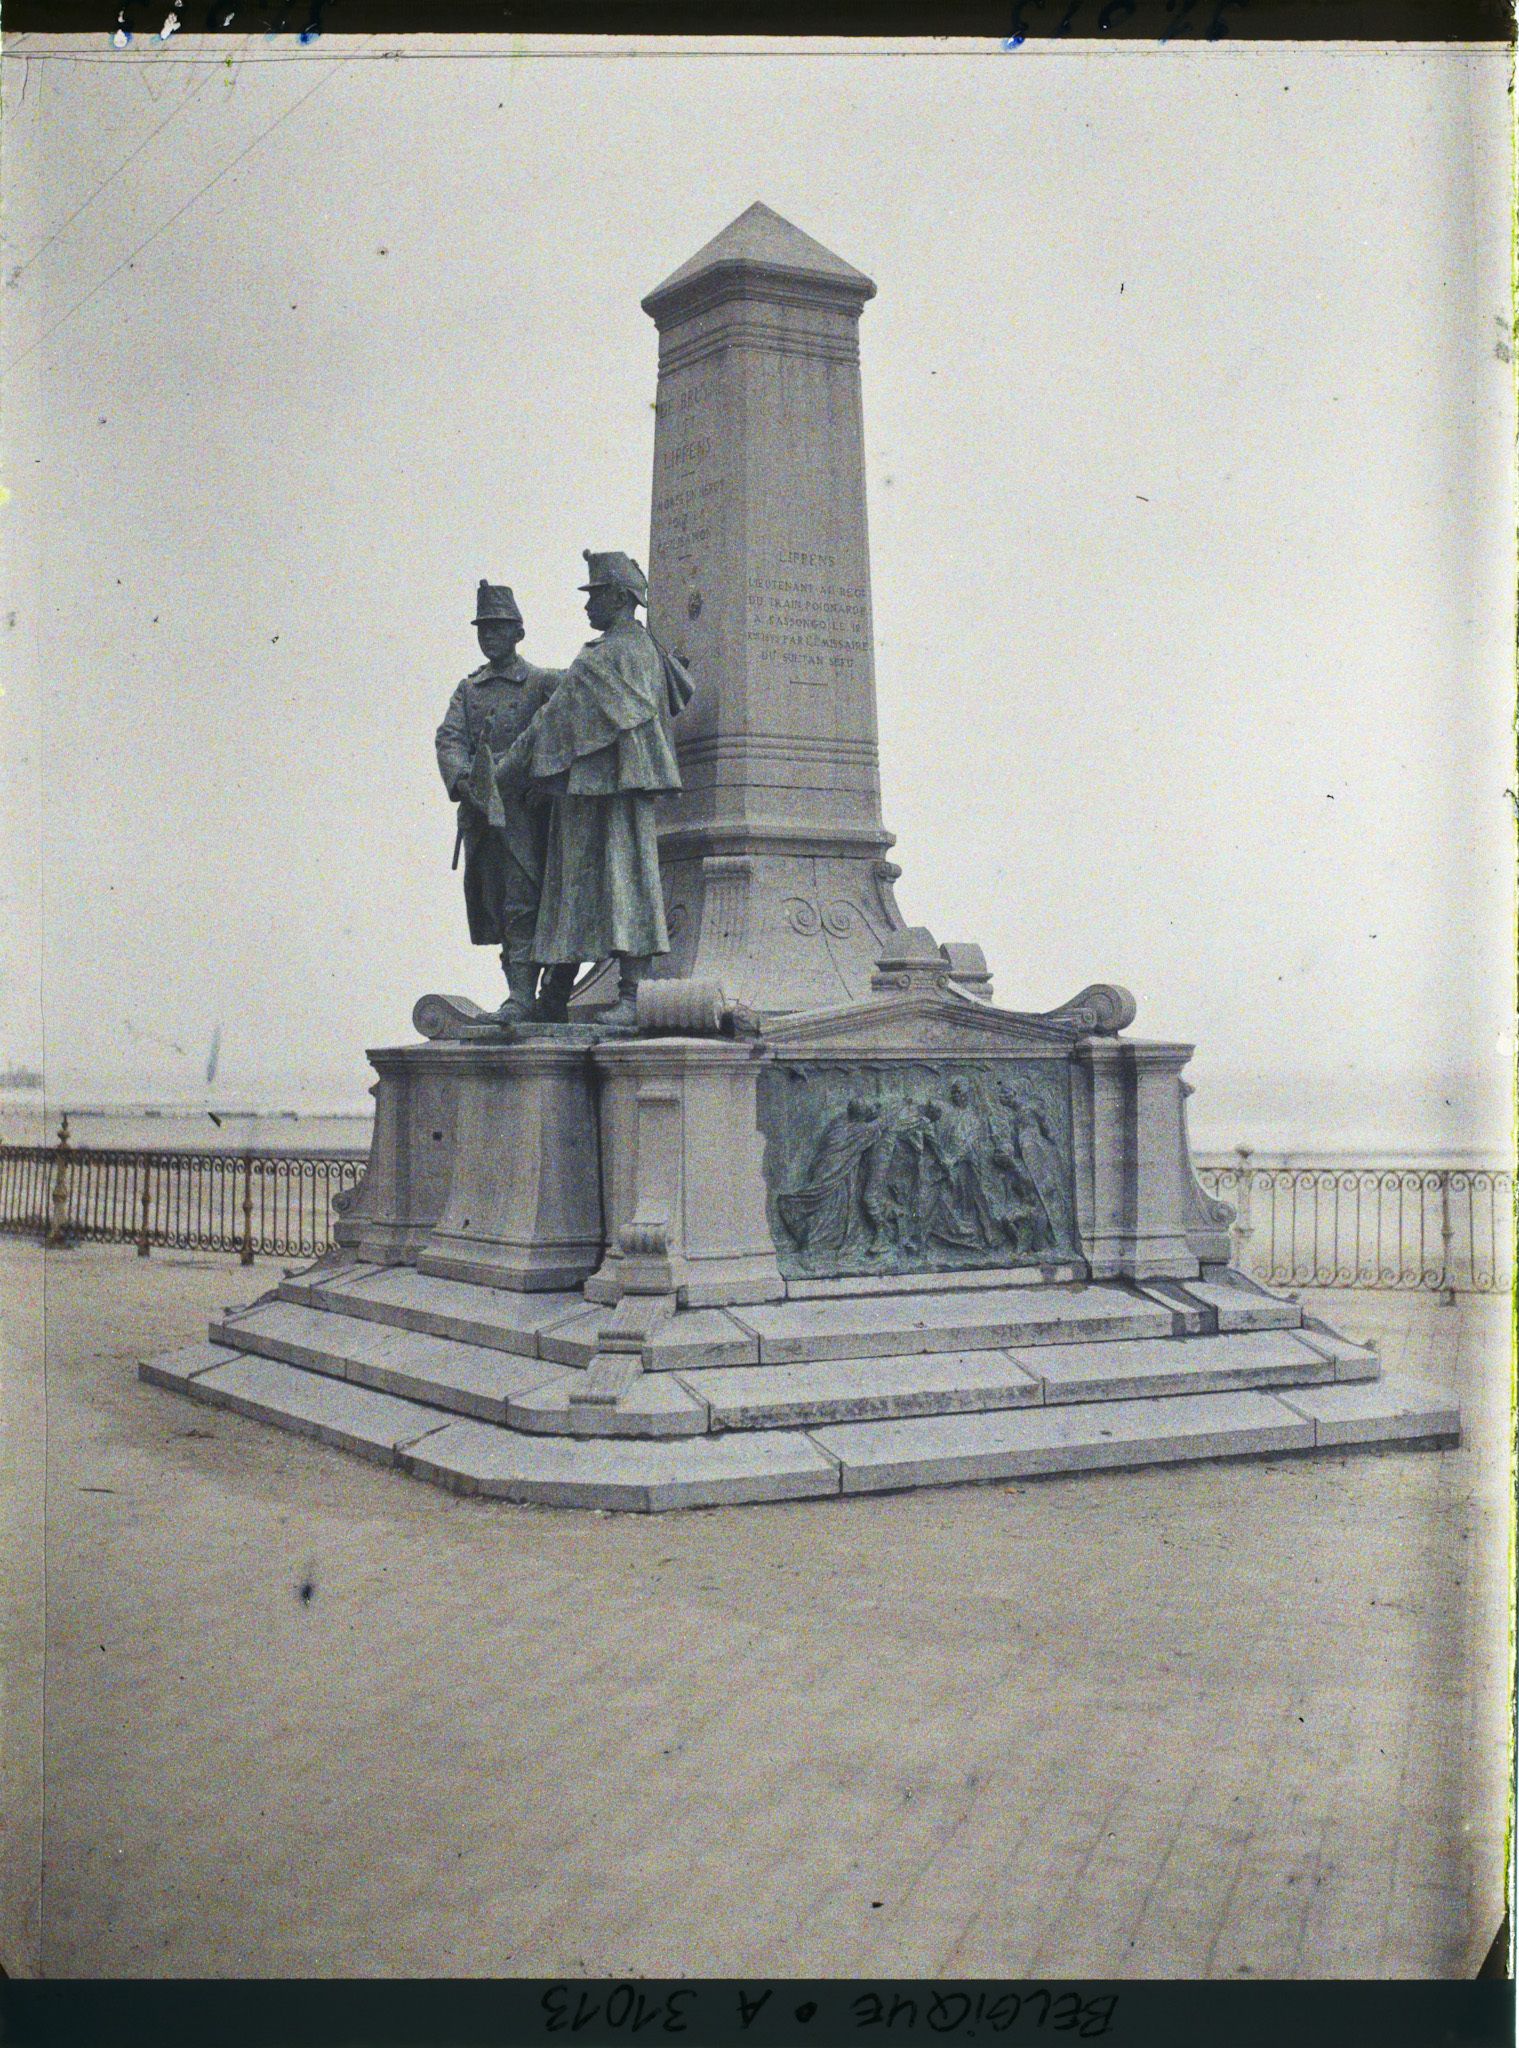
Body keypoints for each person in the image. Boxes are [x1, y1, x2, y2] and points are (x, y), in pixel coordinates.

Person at [495, 550, 692, 1026]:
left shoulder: (615, 655)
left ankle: (632, 995)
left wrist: (503, 772)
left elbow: (552, 721)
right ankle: (556, 994)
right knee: (576, 888)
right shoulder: (635, 651)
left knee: (621, 884)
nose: (587, 605)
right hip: (594, 786)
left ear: (620, 598)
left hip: (613, 788)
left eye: (595, 595)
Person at [434, 581, 560, 1023]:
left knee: (525, 900)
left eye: (498, 628)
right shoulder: (468, 689)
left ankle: (526, 997)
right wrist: (464, 780)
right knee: (498, 902)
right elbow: (449, 738)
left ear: (518, 633)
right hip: (483, 813)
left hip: (526, 813)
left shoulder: (541, 682)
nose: (489, 636)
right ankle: (518, 992)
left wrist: (543, 778)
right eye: (483, 629)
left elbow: (565, 727)